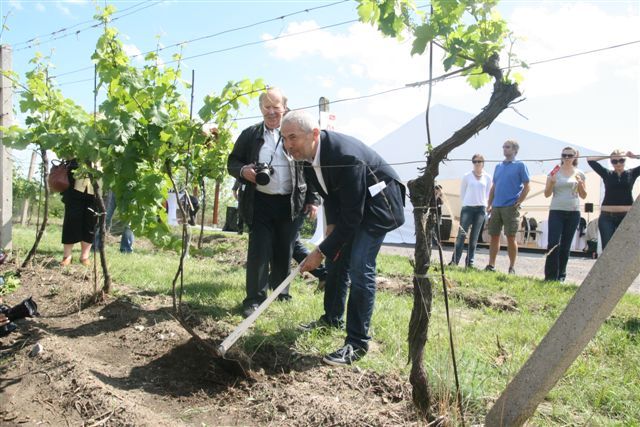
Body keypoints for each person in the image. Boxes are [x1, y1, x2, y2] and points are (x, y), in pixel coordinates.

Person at [281, 110, 405, 366]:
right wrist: (332, 227)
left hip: (379, 206)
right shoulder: (307, 158)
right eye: (284, 138)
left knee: (360, 266)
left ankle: (357, 343)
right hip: (355, 207)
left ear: (314, 134)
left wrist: (321, 251)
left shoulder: (345, 156)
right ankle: (331, 318)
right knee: (337, 258)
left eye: (292, 137)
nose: (287, 145)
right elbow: (330, 193)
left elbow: (354, 217)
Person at [227, 87, 318, 318]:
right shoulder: (250, 134)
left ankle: (281, 294)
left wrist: (312, 199)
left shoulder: (295, 133)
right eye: (266, 107)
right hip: (260, 202)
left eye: (275, 107)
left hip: (290, 202)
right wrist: (243, 171)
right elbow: (233, 162)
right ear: (260, 109)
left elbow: (309, 167)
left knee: (284, 250)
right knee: (259, 251)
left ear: (284, 108)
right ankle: (254, 300)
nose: (271, 112)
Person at [485, 140, 530, 274]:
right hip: (496, 206)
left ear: (515, 150)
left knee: (511, 237)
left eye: (508, 147)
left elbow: (527, 185)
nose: (505, 149)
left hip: (510, 206)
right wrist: (489, 204)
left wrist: (519, 202)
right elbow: (494, 186)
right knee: (494, 236)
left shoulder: (520, 165)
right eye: (503, 147)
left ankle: (511, 267)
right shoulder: (498, 166)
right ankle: (491, 265)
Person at [543, 146, 587, 281]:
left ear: (575, 157)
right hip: (557, 210)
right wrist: (551, 183)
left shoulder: (579, 173)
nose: (567, 158)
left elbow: (584, 195)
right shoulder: (555, 171)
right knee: (553, 243)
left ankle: (561, 275)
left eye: (570, 155)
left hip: (573, 212)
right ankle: (550, 276)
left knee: (566, 245)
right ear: (561, 156)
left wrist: (580, 184)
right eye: (564, 155)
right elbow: (546, 194)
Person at [587, 150, 640, 249]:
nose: (618, 163)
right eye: (614, 161)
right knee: (607, 248)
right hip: (607, 217)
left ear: (625, 160)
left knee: (626, 247)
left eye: (621, 160)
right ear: (611, 162)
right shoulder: (606, 173)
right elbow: (590, 160)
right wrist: (608, 156)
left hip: (626, 216)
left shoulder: (632, 173)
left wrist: (634, 156)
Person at [450, 154, 492, 268]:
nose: (477, 163)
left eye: (479, 161)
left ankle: (470, 262)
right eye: (474, 161)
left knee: (474, 237)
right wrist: (465, 204)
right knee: (461, 235)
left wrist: (486, 206)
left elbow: (488, 194)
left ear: (483, 163)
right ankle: (454, 261)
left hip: (481, 209)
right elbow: (462, 192)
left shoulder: (488, 177)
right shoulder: (467, 176)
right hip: (468, 208)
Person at [60, 159, 98, 266]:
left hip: (96, 185)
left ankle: (84, 257)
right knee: (71, 219)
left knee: (91, 221)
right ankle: (67, 256)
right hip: (75, 183)